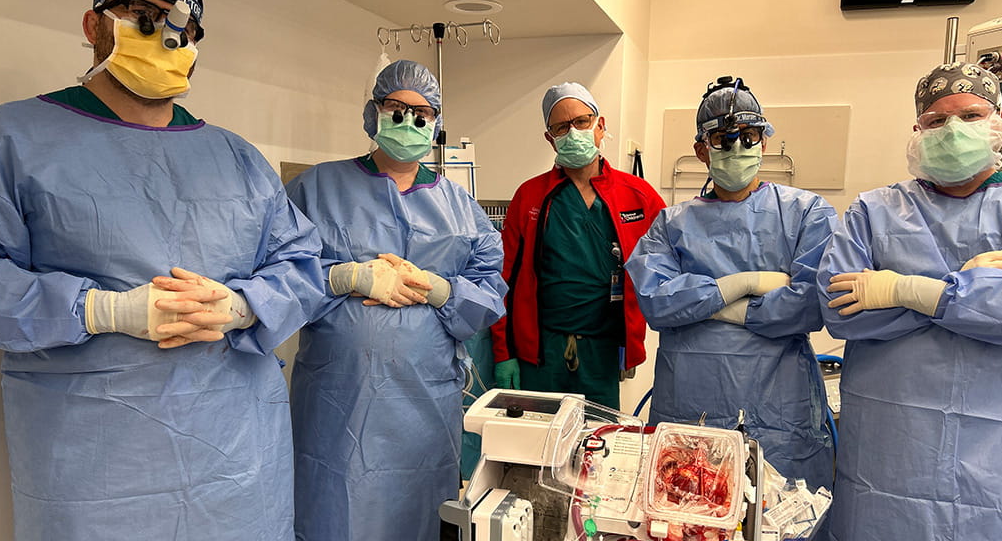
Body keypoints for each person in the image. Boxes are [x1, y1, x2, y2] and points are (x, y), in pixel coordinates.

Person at [0, 0, 325, 540]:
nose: (166, 35)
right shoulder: (12, 139)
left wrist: (243, 305)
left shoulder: (237, 157)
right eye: (142, 16)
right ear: (94, 25)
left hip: (238, 457)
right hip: (93, 467)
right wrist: (103, 309)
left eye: (182, 25)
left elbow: (301, 264)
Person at [818, 62, 1002, 541]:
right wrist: (971, 289)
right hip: (888, 454)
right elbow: (838, 309)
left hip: (998, 450)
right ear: (917, 130)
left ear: (1001, 118)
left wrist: (903, 288)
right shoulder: (874, 210)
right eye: (936, 121)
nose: (952, 131)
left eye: (970, 116)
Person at [286, 59, 507, 541]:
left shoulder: (461, 208)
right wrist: (347, 277)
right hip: (337, 398)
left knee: (418, 515)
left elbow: (489, 292)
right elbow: (281, 280)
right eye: (396, 108)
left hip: (424, 401)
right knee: (332, 512)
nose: (409, 122)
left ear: (437, 124)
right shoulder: (316, 188)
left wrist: (444, 290)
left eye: (422, 114)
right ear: (373, 113)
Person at [625, 76, 836, 493]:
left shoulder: (806, 213)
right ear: (702, 149)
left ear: (764, 142)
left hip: (778, 406)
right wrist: (748, 284)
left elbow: (813, 302)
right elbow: (655, 300)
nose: (737, 147)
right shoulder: (672, 223)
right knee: (685, 512)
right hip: (691, 400)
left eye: (749, 136)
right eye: (723, 138)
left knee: (781, 514)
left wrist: (706, 300)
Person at [490, 82, 665, 410]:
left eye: (582, 122)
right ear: (550, 138)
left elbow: (669, 270)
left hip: (603, 352)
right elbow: (501, 282)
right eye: (561, 127)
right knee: (536, 449)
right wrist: (504, 354)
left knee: (598, 448)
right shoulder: (530, 196)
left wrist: (633, 342)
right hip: (540, 354)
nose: (573, 132)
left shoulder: (639, 197)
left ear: (601, 125)